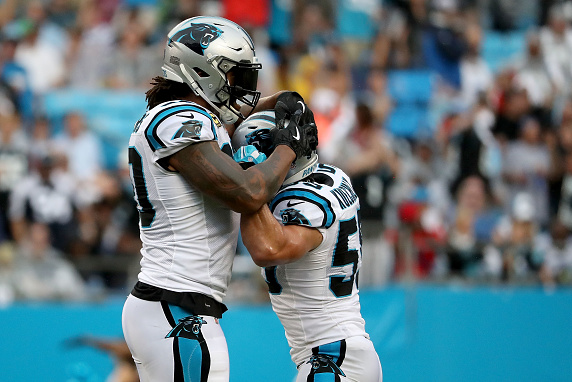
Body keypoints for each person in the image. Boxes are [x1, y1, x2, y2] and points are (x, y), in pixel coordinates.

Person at [120, 16, 317, 382]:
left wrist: (283, 103)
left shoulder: (182, 116)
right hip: (176, 305)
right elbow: (249, 193)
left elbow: (225, 127)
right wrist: (288, 147)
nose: (241, 87)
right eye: (234, 75)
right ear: (202, 69)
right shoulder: (176, 118)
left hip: (177, 305)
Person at [233, 111, 382, 382]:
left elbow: (267, 249)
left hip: (330, 356)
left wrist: (250, 180)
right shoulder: (333, 175)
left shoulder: (299, 202)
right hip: (344, 349)